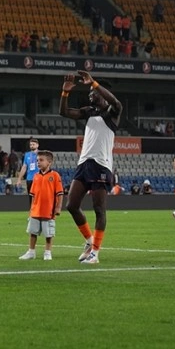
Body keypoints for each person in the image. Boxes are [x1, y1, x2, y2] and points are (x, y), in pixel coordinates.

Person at [59, 70, 122, 264]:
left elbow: (116, 103)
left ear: (102, 94)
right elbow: (64, 112)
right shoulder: (89, 111)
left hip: (101, 165)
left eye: (93, 93)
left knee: (99, 209)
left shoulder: (112, 113)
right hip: (84, 163)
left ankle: (95, 253)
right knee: (71, 205)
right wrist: (65, 92)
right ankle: (89, 241)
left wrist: (94, 83)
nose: (90, 96)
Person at [18, 151, 63, 261]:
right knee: (32, 232)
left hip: (48, 210)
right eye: (37, 160)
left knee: (48, 233)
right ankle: (31, 252)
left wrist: (58, 207)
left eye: (41, 160)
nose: (38, 162)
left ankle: (47, 252)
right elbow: (33, 195)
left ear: (49, 162)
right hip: (36, 209)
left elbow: (60, 193)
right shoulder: (36, 176)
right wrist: (31, 209)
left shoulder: (55, 175)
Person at [16, 138, 39, 203]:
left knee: (39, 197)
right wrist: (19, 179)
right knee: (31, 197)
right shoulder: (27, 155)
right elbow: (24, 167)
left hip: (39, 179)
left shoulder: (41, 154)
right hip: (29, 179)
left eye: (33, 144)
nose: (32, 146)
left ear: (37, 145)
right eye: (30, 145)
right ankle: (32, 209)